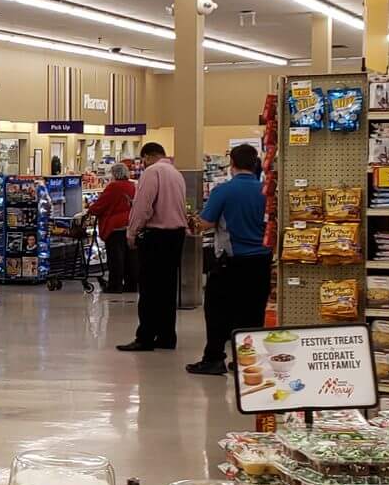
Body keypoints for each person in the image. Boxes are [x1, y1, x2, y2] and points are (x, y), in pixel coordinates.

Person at [189, 143, 271, 377]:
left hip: (231, 261)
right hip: (262, 260)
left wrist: (193, 222)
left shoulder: (224, 191)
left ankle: (214, 358)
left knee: (217, 311)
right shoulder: (265, 190)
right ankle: (247, 360)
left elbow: (205, 223)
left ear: (232, 164)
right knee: (253, 312)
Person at [119, 141, 187, 352]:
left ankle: (145, 336)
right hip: (176, 235)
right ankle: (167, 336)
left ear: (147, 157)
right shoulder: (176, 174)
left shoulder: (152, 172)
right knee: (167, 288)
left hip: (156, 236)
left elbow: (143, 206)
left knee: (149, 289)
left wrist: (132, 232)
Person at [92, 162, 137, 294]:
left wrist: (91, 210)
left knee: (116, 258)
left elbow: (101, 204)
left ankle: (115, 286)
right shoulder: (132, 186)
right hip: (130, 224)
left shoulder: (113, 187)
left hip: (115, 227)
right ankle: (132, 285)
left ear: (114, 174)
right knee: (131, 258)